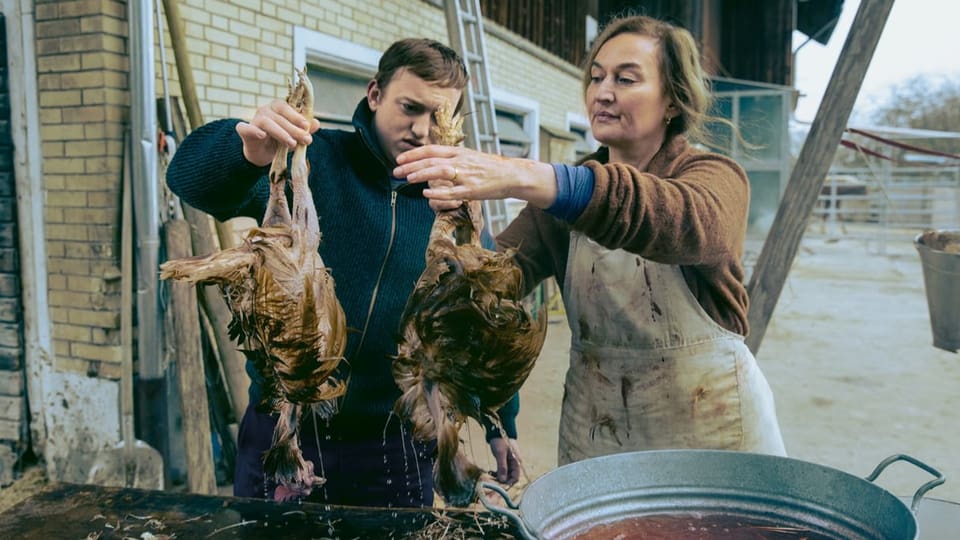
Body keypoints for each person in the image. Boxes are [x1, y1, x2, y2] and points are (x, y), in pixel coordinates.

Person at [393, 15, 787, 465]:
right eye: (596, 76)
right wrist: (454, 235)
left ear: (673, 99)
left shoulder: (715, 178)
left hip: (710, 435)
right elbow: (491, 282)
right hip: (599, 434)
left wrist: (525, 175)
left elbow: (681, 221)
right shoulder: (558, 205)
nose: (602, 91)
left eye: (625, 78)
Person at [165, 37, 520, 507]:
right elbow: (187, 180)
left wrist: (501, 423)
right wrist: (245, 150)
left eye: (437, 117)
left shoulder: (453, 205)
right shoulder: (313, 162)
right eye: (409, 107)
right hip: (283, 431)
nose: (420, 129)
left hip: (396, 444)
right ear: (374, 94)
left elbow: (484, 317)